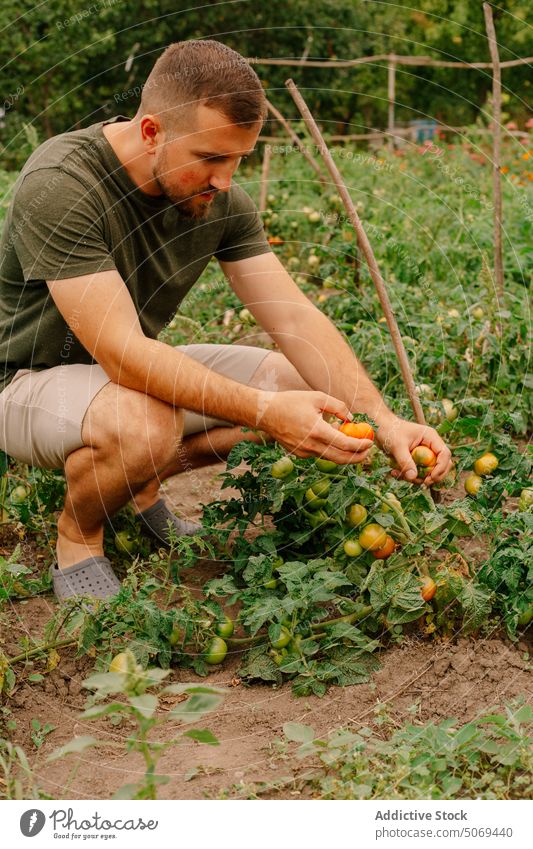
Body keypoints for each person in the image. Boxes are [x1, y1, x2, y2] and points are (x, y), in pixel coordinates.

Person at [0, 39, 452, 601]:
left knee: (306, 387)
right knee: (145, 422)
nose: (225, 179)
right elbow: (120, 354)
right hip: (31, 383)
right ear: (150, 133)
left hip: (121, 377)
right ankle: (80, 536)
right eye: (212, 157)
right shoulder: (63, 182)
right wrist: (265, 414)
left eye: (239, 159)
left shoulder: (220, 200)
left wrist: (383, 420)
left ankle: (139, 496)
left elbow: (296, 319)